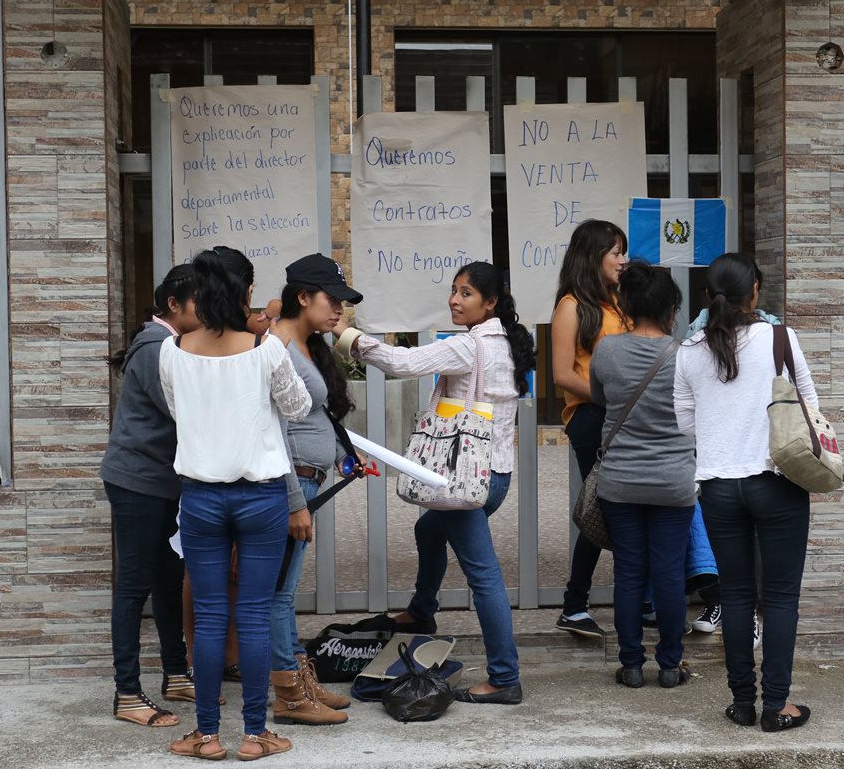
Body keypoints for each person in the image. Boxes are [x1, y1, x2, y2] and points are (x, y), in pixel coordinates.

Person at [332, 261, 535, 705]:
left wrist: (345, 335)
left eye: (466, 293)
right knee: (428, 531)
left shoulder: (470, 346)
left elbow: (403, 363)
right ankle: (422, 613)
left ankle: (505, 678)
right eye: (453, 291)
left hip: (464, 481)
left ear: (491, 302)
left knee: (484, 577)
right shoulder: (507, 341)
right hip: (492, 474)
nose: (454, 300)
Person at [159, 246, 312, 761]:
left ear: (197, 293)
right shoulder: (266, 348)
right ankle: (254, 734)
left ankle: (205, 735)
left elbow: (180, 412)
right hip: (261, 496)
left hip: (201, 496)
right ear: (246, 291)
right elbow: (298, 407)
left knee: (207, 616)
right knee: (251, 615)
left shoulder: (173, 349)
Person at [673, 252, 816, 733]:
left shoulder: (690, 349)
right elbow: (808, 407)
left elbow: (685, 423)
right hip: (777, 480)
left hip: (717, 487)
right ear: (754, 290)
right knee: (779, 598)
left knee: (735, 596)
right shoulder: (780, 338)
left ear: (709, 295)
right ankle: (776, 706)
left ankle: (741, 704)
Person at [261, 254, 363, 726]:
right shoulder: (276, 346)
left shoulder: (303, 344)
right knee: (279, 594)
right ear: (302, 297)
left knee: (285, 591)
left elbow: (313, 420)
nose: (339, 309)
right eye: (332, 299)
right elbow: (274, 432)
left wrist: (341, 457)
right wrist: (294, 501)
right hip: (292, 484)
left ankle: (302, 680)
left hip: (308, 478)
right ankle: (290, 696)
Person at [588, 261, 697, 688]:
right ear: (673, 307)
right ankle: (670, 665)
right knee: (670, 573)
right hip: (674, 481)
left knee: (629, 573)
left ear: (627, 303)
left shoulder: (607, 351)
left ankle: (631, 664)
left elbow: (599, 399)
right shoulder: (688, 355)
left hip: (620, 482)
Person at [102, 265, 199, 728]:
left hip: (161, 481)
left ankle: (176, 674)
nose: (206, 309)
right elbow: (187, 411)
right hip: (138, 480)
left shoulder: (171, 344)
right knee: (135, 585)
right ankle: (127, 694)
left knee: (168, 578)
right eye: (198, 301)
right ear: (174, 305)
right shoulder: (156, 347)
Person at [549, 219, 628, 638]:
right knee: (603, 507)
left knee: (625, 507)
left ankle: (639, 600)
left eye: (623, 252)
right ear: (592, 255)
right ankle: (574, 604)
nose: (623, 260)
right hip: (592, 418)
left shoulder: (620, 301)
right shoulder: (571, 306)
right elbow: (562, 374)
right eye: (615, 252)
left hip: (621, 416)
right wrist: (609, 398)